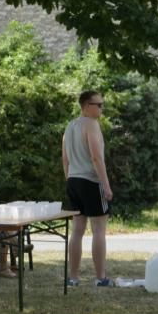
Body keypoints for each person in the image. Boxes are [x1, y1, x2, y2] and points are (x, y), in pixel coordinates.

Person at [62, 90, 113, 287]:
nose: (101, 108)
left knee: (77, 231)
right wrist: (106, 185)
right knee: (99, 230)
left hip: (73, 180)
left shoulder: (70, 126)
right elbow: (96, 157)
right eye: (98, 105)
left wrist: (70, 180)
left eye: (102, 104)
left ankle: (73, 278)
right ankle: (101, 278)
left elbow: (65, 160)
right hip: (91, 181)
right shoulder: (91, 125)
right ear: (85, 106)